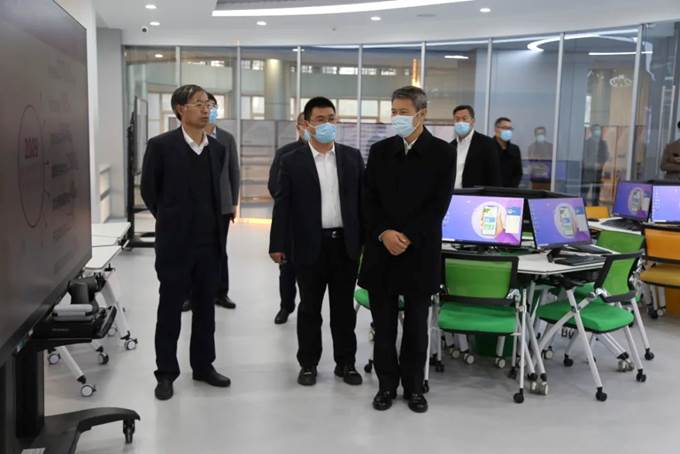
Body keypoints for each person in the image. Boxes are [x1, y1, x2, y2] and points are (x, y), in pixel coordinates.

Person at [359, 86, 456, 414]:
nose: (397, 117)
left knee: (416, 327)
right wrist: (384, 232)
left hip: (419, 252)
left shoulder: (442, 153)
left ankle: (414, 387)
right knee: (383, 326)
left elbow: (438, 205)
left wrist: (408, 236)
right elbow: (368, 199)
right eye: (394, 111)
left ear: (422, 114)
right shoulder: (380, 151)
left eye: (403, 112)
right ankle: (386, 386)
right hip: (382, 250)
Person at [141, 84, 231, 401]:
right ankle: (166, 372)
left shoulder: (217, 149)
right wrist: (171, 219)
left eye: (208, 104)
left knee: (206, 308)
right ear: (180, 109)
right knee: (170, 309)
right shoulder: (161, 146)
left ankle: (203, 366)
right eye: (198, 104)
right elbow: (150, 191)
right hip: (175, 244)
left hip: (209, 243)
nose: (206, 109)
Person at [269, 97, 365, 387]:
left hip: (344, 245)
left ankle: (346, 363)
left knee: (343, 310)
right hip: (309, 245)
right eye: (320, 120)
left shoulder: (351, 157)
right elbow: (282, 204)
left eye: (331, 119)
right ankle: (308, 364)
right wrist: (277, 244)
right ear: (307, 124)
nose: (327, 125)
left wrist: (365, 240)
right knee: (309, 308)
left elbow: (363, 203)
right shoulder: (292, 160)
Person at [267, 113, 307, 325]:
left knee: (311, 272)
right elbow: (274, 186)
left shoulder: (330, 154)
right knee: (287, 269)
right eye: (304, 124)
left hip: (319, 225)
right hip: (291, 223)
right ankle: (286, 306)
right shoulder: (285, 153)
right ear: (298, 127)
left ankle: (308, 308)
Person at [206, 92, 240, 310]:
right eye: (205, 105)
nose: (209, 110)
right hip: (197, 205)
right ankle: (191, 294)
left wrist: (234, 202)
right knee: (194, 250)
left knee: (220, 249)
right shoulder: (191, 137)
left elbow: (233, 170)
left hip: (222, 204)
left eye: (212, 105)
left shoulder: (226, 138)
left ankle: (221, 293)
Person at [451, 105, 501, 188]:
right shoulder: (451, 146)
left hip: (475, 194)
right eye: (457, 119)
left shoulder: (487, 144)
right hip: (453, 193)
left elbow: (494, 176)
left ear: (473, 121)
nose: (460, 122)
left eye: (464, 118)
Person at [581, 124, 609, 205]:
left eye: (599, 130)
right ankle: (583, 205)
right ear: (592, 131)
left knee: (596, 191)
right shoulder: (587, 142)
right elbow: (584, 157)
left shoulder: (603, 143)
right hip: (588, 171)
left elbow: (606, 155)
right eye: (596, 130)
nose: (598, 131)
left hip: (598, 172)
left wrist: (601, 163)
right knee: (585, 190)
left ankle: (595, 206)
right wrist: (593, 164)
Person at [494, 117, 523, 188]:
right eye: (504, 128)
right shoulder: (487, 147)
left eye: (509, 129)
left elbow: (518, 173)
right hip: (491, 190)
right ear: (496, 129)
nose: (507, 131)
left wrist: (512, 188)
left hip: (510, 191)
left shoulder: (515, 149)